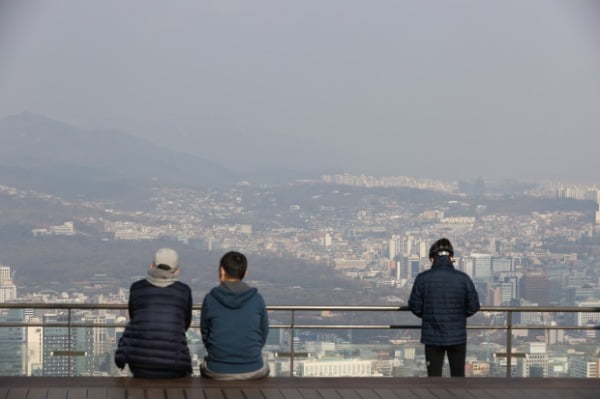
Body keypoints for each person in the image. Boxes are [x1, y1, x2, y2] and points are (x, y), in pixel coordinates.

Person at [115, 248, 192, 378]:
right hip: (174, 364)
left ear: (152, 266)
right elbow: (185, 324)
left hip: (139, 363)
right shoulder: (183, 291)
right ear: (176, 270)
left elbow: (134, 317)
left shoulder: (137, 288)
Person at [408, 238, 480, 377]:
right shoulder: (463, 278)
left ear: (432, 259)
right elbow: (474, 306)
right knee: (458, 375)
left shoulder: (423, 278)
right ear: (451, 258)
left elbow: (414, 305)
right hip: (457, 335)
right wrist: (459, 315)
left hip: (432, 335)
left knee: (434, 376)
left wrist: (427, 314)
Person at [200, 251, 269, 380]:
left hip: (217, 369)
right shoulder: (257, 299)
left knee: (203, 366)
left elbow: (205, 333)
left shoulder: (210, 299)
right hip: (253, 368)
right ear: (245, 272)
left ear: (222, 271)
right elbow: (263, 332)